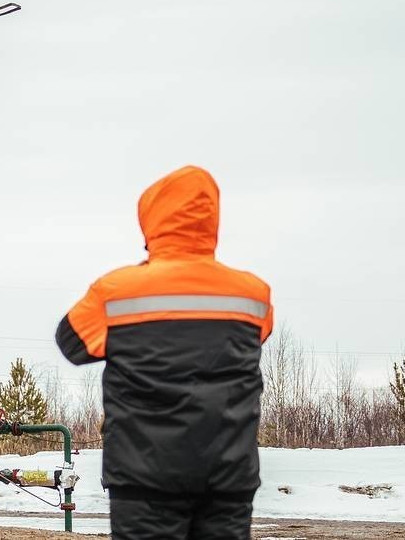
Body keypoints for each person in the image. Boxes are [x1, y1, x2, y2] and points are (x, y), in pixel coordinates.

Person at [56, 165, 273, 539]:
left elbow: (71, 343)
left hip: (144, 477)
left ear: (151, 219)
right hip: (229, 476)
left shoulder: (116, 292)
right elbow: (258, 337)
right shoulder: (253, 295)